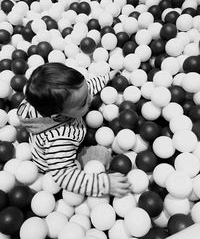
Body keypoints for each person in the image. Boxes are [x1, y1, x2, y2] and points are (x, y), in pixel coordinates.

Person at [17, 62, 130, 197]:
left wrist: (107, 77)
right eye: (83, 103)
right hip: (53, 162)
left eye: (87, 92)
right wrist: (105, 184)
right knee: (103, 154)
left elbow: (85, 88)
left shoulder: (48, 101)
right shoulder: (59, 139)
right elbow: (64, 176)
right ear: (58, 114)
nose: (90, 99)